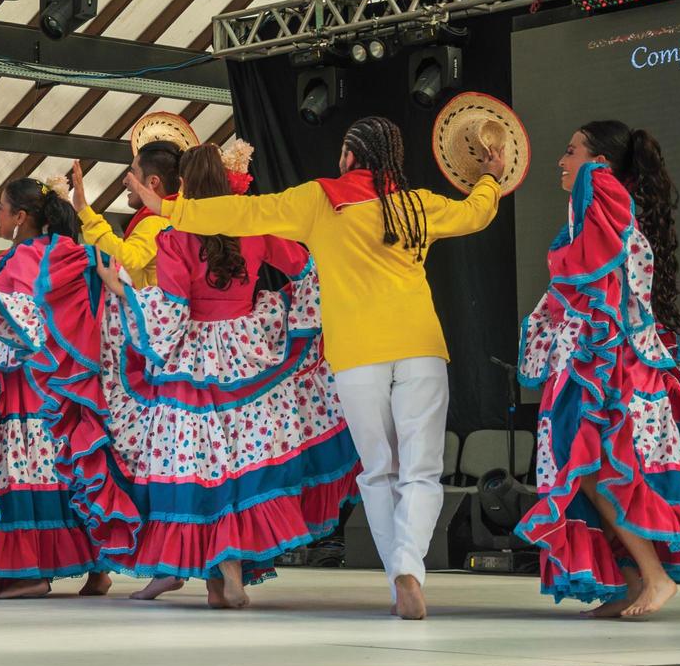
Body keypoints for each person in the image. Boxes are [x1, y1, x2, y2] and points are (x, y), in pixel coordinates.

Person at [127, 116, 504, 619]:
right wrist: (490, 178)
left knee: (377, 472)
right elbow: (475, 214)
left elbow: (245, 213)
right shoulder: (417, 206)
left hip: (356, 355)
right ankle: (408, 568)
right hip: (421, 348)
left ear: (349, 155)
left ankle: (401, 576)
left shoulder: (319, 200)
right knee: (422, 471)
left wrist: (169, 207)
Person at [96, 144, 359, 608]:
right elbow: (308, 268)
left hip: (194, 362)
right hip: (248, 352)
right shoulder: (255, 229)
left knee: (198, 467)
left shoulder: (176, 238)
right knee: (238, 464)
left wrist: (126, 294)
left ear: (185, 188)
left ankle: (223, 577)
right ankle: (221, 583)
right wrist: (294, 321)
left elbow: (173, 311)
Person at [515, 122, 680, 619]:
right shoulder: (603, 197)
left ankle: (656, 576)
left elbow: (590, 268)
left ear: (599, 159)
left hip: (604, 361)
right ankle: (630, 581)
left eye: (571, 150)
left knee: (592, 464)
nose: (562, 160)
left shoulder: (596, 184)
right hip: (600, 356)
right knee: (581, 466)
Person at [0, 176, 139, 598]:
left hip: (29, 389)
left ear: (21, 217)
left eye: (2, 210)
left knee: (24, 472)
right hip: (71, 389)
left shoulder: (25, 259)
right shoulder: (76, 253)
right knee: (73, 474)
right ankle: (98, 568)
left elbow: (27, 318)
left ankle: (30, 572)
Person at [69, 140, 183, 290]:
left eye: (134, 172)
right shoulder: (177, 219)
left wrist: (84, 210)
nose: (125, 181)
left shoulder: (156, 222)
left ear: (153, 182)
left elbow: (125, 259)